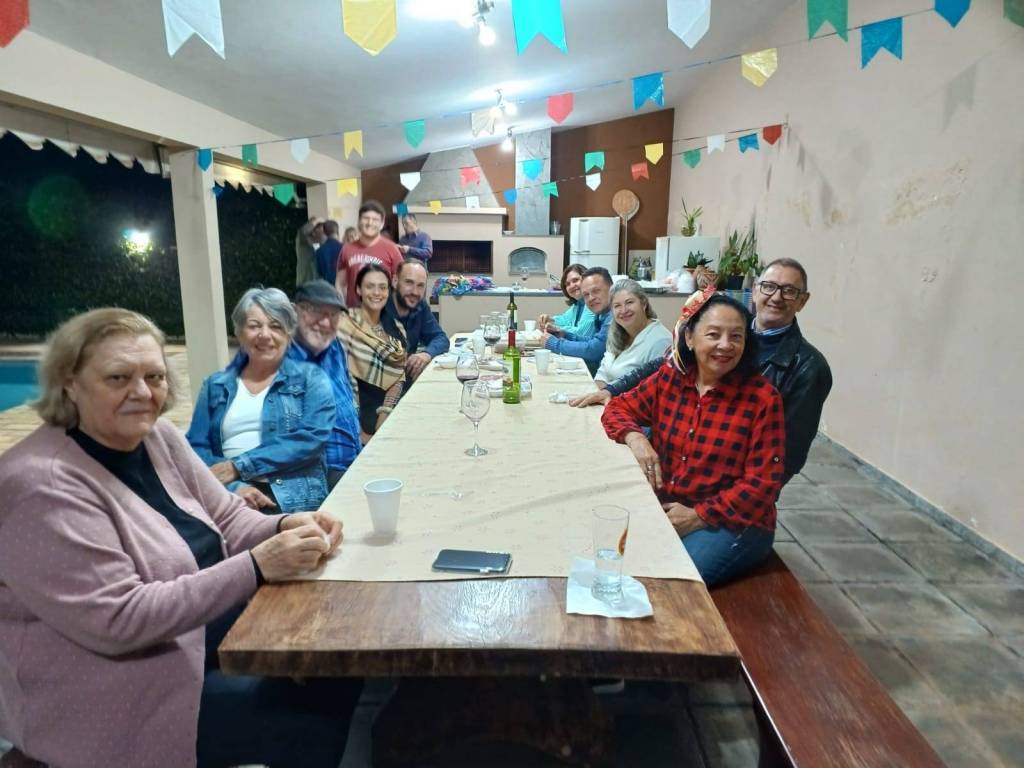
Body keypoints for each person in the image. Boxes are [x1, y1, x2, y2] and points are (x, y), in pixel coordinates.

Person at [0, 308, 359, 768]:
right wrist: (257, 565)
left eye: (154, 376)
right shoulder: (40, 487)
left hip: (200, 638)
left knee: (339, 664)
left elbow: (228, 517)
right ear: (69, 382)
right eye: (118, 377)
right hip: (120, 696)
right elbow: (121, 620)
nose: (142, 392)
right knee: (312, 718)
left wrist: (284, 525)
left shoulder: (157, 438)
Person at [574, 258, 831, 483]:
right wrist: (612, 391)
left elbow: (783, 461)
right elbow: (662, 365)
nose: (776, 297)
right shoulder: (720, 330)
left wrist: (710, 510)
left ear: (802, 301)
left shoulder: (805, 369)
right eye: (769, 286)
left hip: (727, 487)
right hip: (681, 470)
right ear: (755, 291)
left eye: (789, 291)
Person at [601, 291, 786, 586]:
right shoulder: (670, 379)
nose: (725, 345)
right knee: (609, 554)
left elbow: (762, 485)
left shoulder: (762, 398)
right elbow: (617, 408)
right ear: (689, 338)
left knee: (669, 583)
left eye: (736, 337)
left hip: (733, 521)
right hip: (671, 506)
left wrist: (699, 516)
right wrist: (636, 438)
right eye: (713, 334)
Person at [187, 288, 335, 512]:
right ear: (240, 333)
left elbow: (312, 438)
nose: (265, 334)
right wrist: (233, 487)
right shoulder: (215, 385)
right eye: (254, 326)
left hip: (292, 500)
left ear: (289, 334)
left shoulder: (312, 379)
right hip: (230, 497)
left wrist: (239, 466)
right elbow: (196, 447)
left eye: (275, 326)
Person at [288, 280, 363, 488]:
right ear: (294, 311)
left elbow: (346, 392)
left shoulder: (333, 346)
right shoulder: (284, 359)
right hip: (322, 473)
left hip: (355, 457)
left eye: (333, 315)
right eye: (316, 312)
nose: (325, 322)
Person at [337, 264, 407, 441]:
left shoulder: (396, 328)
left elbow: (399, 376)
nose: (377, 293)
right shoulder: (344, 324)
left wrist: (385, 414)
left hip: (392, 411)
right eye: (370, 286)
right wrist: (360, 434)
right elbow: (341, 380)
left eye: (382, 287)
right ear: (358, 289)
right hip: (357, 418)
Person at [594, 279, 672, 387]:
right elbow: (602, 373)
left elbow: (651, 389)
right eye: (617, 306)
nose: (624, 310)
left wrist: (606, 393)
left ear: (644, 304)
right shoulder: (615, 333)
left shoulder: (661, 341)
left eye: (629, 302)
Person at [384, 258, 450, 381]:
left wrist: (426, 354)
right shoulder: (378, 306)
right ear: (395, 281)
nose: (415, 291)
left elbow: (440, 338)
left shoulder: (419, 305)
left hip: (406, 378)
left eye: (420, 285)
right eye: (409, 283)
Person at [540, 266, 613, 376]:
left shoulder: (614, 315)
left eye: (596, 291)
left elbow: (594, 350)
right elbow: (593, 340)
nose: (591, 298)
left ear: (612, 289)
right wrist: (564, 334)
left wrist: (554, 343)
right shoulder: (599, 312)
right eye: (586, 294)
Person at [336, 200, 404, 308]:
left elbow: (400, 284)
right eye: (366, 218)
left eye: (375, 219)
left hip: (383, 312)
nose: (370, 223)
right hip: (354, 312)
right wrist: (343, 309)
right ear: (359, 221)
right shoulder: (347, 249)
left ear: (382, 223)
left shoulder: (392, 249)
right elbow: (341, 284)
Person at [537, 263, 596, 339]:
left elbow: (581, 333)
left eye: (575, 280)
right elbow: (565, 319)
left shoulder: (593, 303)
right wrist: (550, 319)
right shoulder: (578, 304)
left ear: (587, 279)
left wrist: (556, 329)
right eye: (567, 284)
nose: (572, 286)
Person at [295, 216, 325, 287]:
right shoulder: (303, 240)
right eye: (317, 227)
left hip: (318, 283)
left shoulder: (322, 242)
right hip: (305, 282)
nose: (321, 230)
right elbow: (303, 232)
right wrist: (316, 221)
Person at [315, 219, 343, 285]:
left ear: (324, 232)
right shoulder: (346, 248)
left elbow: (319, 273)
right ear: (337, 231)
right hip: (343, 286)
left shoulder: (319, 251)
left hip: (327, 287)